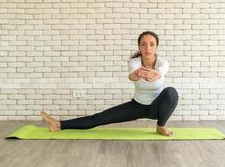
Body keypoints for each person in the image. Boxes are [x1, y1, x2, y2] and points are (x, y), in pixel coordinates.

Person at [40, 31, 179, 136]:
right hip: (137, 105)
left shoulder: (162, 63)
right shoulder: (134, 62)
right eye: (143, 44)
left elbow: (162, 70)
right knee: (98, 118)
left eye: (151, 44)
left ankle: (161, 126)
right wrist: (135, 76)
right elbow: (132, 75)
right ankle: (58, 124)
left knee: (171, 92)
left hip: (157, 108)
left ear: (156, 47)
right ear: (139, 47)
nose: (147, 48)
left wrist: (157, 74)